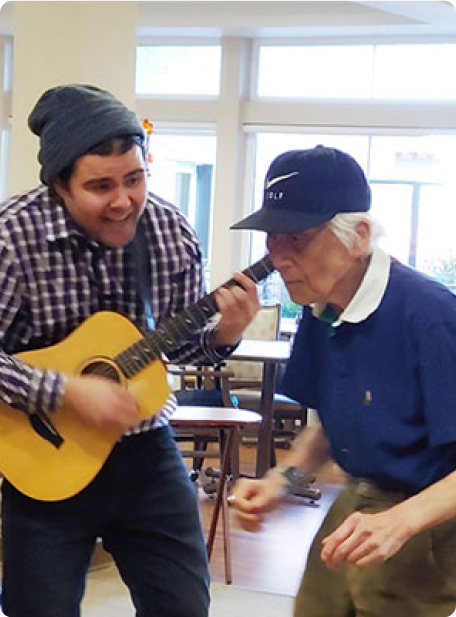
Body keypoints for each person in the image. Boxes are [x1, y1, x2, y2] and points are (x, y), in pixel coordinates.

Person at [0, 84, 259, 617]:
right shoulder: (10, 238)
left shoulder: (168, 230)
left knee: (183, 605)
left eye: (135, 179)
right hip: (44, 458)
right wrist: (64, 390)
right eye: (100, 186)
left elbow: (180, 345)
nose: (123, 201)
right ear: (58, 186)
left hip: (146, 453)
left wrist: (223, 337)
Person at [230, 145, 456, 617]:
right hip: (360, 496)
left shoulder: (430, 316)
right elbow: (331, 425)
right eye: (272, 239)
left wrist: (402, 521)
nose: (278, 258)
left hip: (429, 511)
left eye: (297, 239)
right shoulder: (320, 306)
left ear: (358, 236)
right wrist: (283, 478)